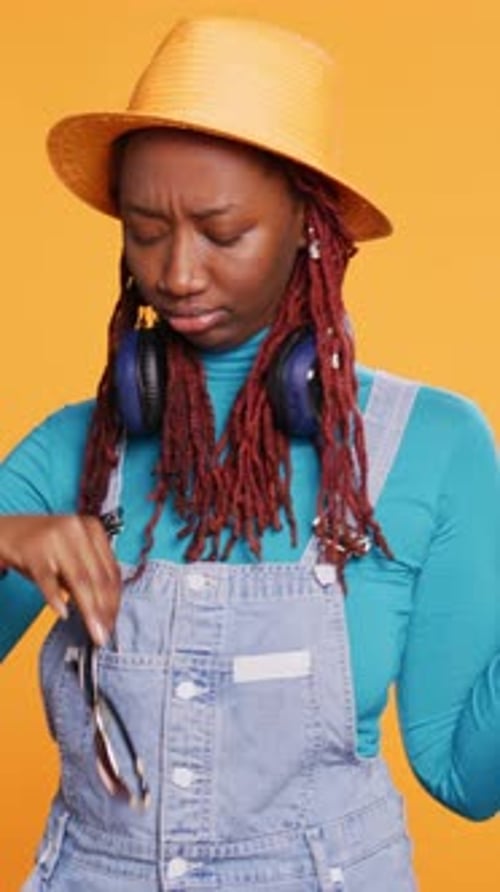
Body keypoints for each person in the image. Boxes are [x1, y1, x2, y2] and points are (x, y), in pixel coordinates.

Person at [0, 15, 498, 892]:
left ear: (310, 225)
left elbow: (465, 778)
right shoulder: (71, 452)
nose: (177, 272)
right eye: (146, 230)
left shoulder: (435, 448)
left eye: (221, 232)